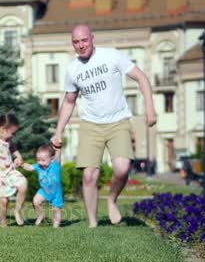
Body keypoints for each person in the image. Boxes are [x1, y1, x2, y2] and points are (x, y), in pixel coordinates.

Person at [52, 24, 157, 228]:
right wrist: (58, 131)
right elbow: (69, 102)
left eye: (84, 40)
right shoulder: (73, 70)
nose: (81, 45)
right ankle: (93, 223)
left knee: (122, 168)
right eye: (76, 42)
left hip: (118, 121)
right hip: (91, 124)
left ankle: (111, 200)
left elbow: (141, 78)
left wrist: (150, 108)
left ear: (92, 38)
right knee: (89, 174)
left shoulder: (112, 56)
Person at [21, 143, 64, 228]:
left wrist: (58, 148)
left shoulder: (55, 165)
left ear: (51, 159)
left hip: (56, 193)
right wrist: (21, 164)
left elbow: (57, 156)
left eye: (43, 160)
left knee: (56, 209)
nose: (40, 162)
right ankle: (41, 215)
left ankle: (56, 226)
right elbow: (29, 167)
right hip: (44, 191)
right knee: (36, 201)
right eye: (38, 160)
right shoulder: (39, 166)